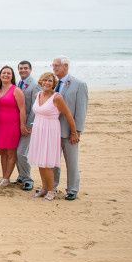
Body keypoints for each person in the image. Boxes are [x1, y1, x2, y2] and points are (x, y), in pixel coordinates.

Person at [28, 72, 79, 201]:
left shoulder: (57, 98)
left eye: (50, 81)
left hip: (50, 131)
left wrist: (74, 132)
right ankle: (44, 188)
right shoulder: (38, 95)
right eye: (45, 80)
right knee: (40, 161)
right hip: (38, 130)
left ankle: (51, 190)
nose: (47, 83)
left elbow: (68, 115)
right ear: (41, 81)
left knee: (47, 162)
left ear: (54, 84)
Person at [51, 56, 89, 201]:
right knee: (53, 161)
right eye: (53, 65)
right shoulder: (52, 83)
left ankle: (72, 189)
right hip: (53, 129)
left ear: (65, 66)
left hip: (69, 131)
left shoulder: (79, 84)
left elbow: (81, 110)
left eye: (57, 66)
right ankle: (52, 186)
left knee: (71, 161)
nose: (54, 68)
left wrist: (77, 131)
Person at [0, 66, 28, 187]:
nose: (6, 75)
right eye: (4, 73)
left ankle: (7, 178)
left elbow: (22, 109)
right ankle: (3, 177)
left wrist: (22, 125)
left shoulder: (16, 90)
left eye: (8, 73)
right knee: (2, 152)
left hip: (12, 125)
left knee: (11, 152)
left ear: (12, 76)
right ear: (0, 75)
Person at [14, 60, 40, 191]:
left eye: (25, 68)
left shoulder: (34, 85)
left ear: (30, 69)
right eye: (20, 68)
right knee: (16, 151)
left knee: (22, 153)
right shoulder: (19, 83)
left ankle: (28, 179)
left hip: (28, 124)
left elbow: (35, 108)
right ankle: (21, 176)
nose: (23, 70)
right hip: (18, 123)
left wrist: (28, 126)